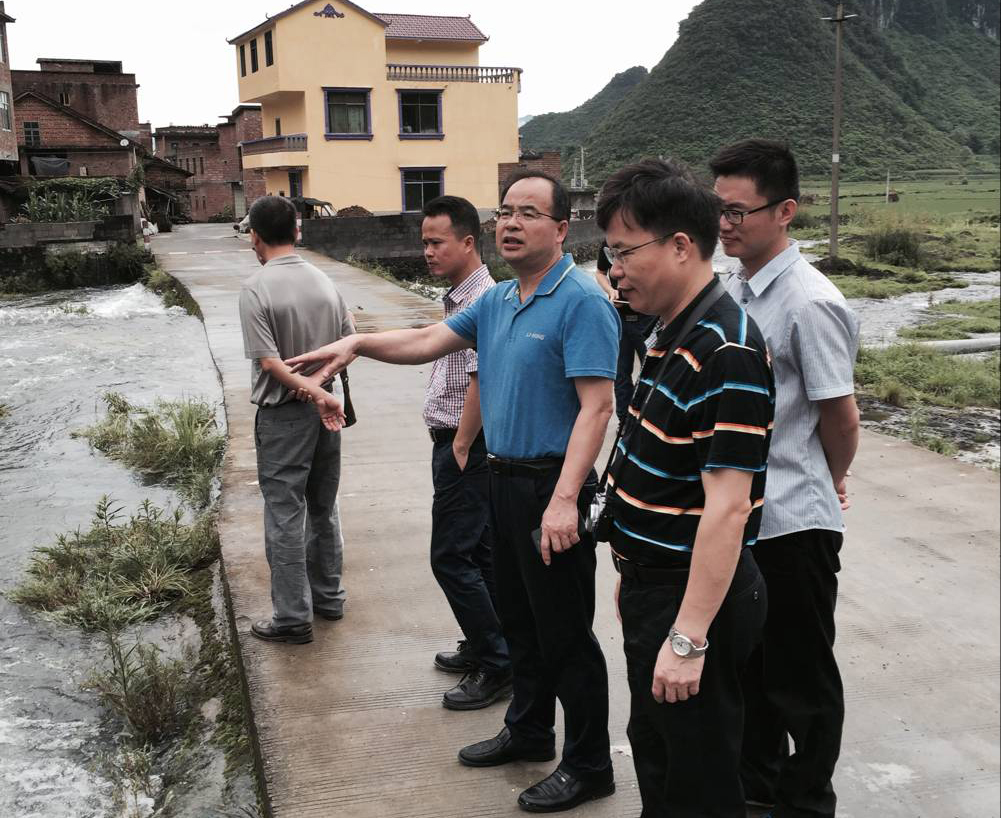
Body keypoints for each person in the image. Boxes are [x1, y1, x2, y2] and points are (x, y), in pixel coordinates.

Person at [286, 170, 620, 813]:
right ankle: (529, 731)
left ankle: (590, 765)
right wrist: (358, 343)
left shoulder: (582, 300)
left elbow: (597, 407)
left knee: (565, 634)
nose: (512, 223)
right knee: (519, 621)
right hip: (501, 477)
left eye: (529, 213)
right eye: (506, 211)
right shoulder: (499, 301)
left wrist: (564, 501)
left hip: (553, 485)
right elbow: (425, 341)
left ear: (561, 227)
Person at [595, 157, 774, 818]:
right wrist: (633, 568)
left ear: (679, 245)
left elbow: (728, 507)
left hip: (692, 597)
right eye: (610, 254)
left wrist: (688, 636)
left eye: (623, 252)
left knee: (695, 779)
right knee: (659, 755)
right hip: (658, 584)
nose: (614, 269)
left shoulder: (725, 349)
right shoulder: (674, 330)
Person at [710, 139, 860, 818]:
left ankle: (806, 803)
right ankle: (757, 789)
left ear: (785, 211)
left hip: (793, 523)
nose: (725, 224)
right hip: (742, 521)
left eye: (738, 211)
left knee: (801, 680)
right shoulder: (732, 286)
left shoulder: (809, 303)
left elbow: (840, 416)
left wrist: (830, 478)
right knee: (749, 670)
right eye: (719, 209)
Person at [238, 195, 352, 645]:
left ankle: (291, 617)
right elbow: (349, 344)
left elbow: (270, 364)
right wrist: (322, 388)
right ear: (298, 231)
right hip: (328, 411)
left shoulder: (256, 288)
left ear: (255, 236)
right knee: (323, 506)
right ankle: (329, 598)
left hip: (284, 416)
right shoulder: (325, 280)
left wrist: (308, 389)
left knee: (285, 512)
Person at [418, 194, 512, 711]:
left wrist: (459, 443)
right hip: (461, 444)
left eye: (437, 242)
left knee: (451, 558)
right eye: (425, 243)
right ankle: (488, 644)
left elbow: (482, 375)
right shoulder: (461, 296)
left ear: (469, 242)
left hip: (465, 445)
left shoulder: (483, 299)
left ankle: (498, 664)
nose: (428, 252)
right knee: (479, 553)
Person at [594, 240, 657, 428]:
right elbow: (600, 273)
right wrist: (610, 291)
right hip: (619, 318)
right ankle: (624, 422)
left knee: (652, 371)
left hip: (647, 317)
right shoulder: (607, 243)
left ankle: (648, 420)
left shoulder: (645, 239)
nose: (616, 271)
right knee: (621, 373)